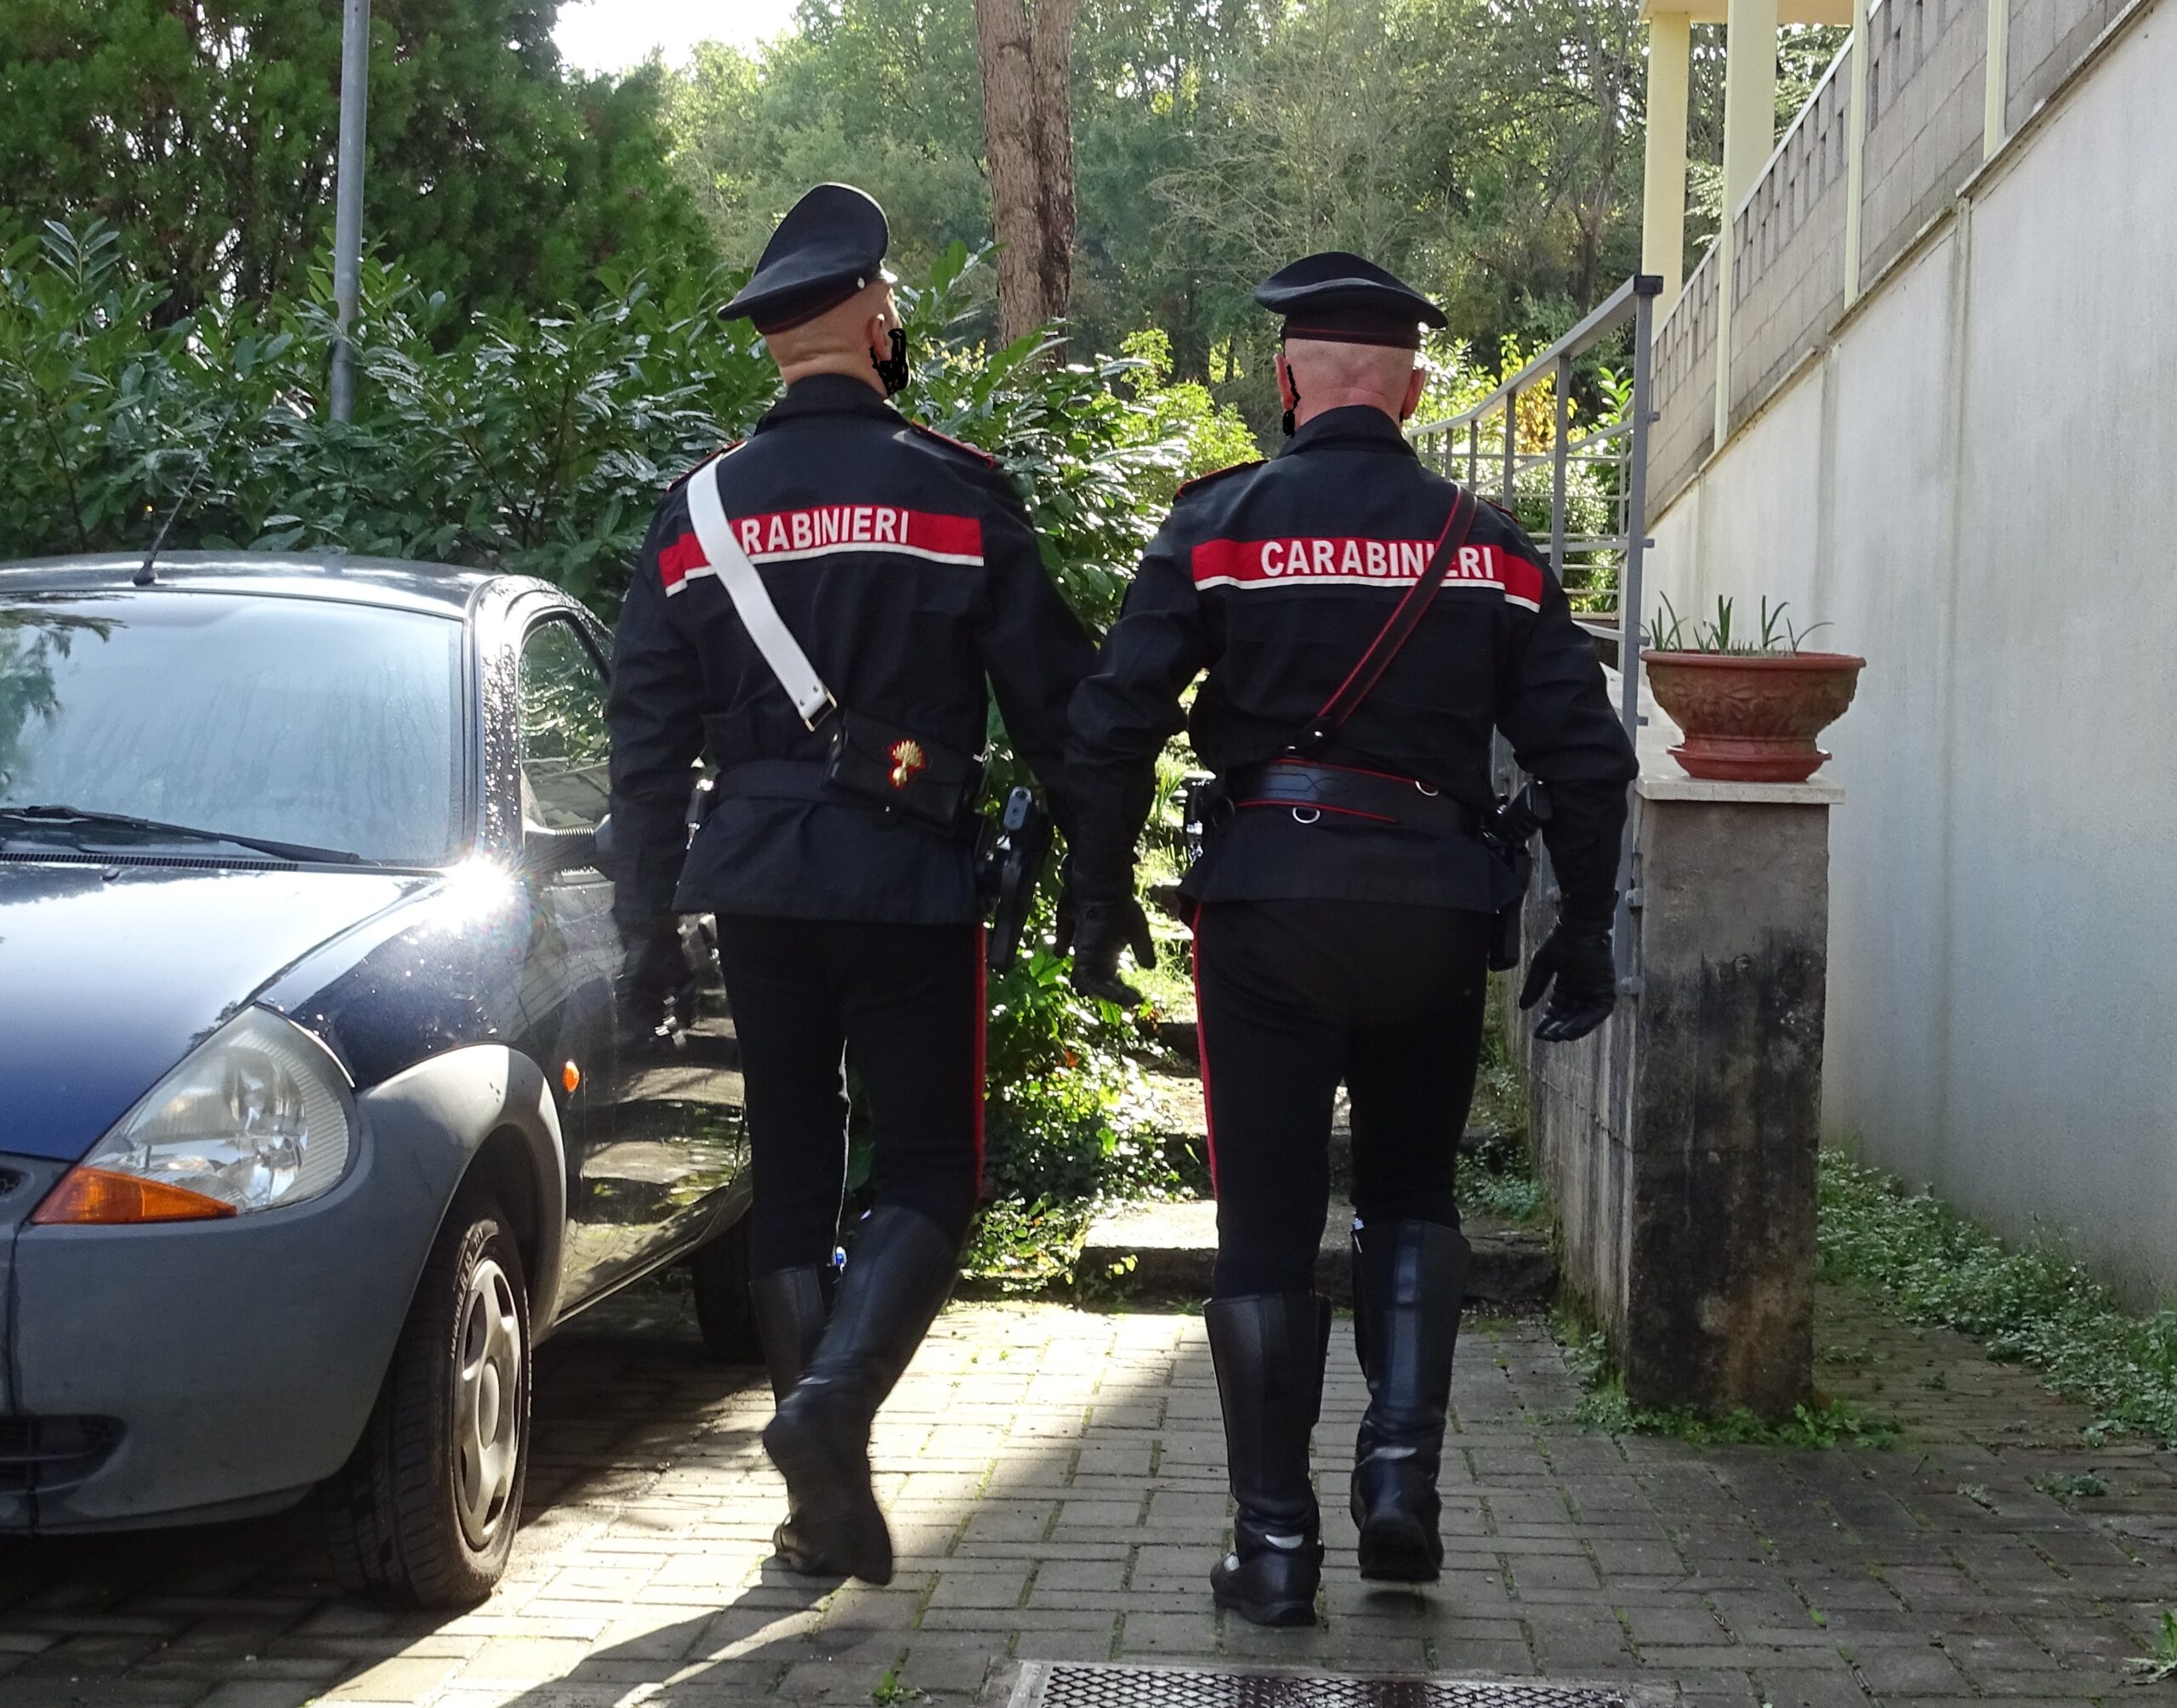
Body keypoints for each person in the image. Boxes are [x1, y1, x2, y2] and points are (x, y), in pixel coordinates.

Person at [1064, 252, 1638, 1626]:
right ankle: (1401, 1480)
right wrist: (1589, 926)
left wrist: (1095, 901)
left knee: (1264, 1232)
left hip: (1267, 912)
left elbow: (1109, 725)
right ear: (1415, 387)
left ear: (1287, 381)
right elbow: (1588, 754)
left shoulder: (1217, 525)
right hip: (1433, 921)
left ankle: (1275, 1550)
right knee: (1412, 1196)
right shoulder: (1489, 547)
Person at [605, 183, 1095, 1587]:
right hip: (909, 881)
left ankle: (822, 1509)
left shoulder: (695, 512)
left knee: (793, 1173)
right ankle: (830, 1413)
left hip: (754, 888)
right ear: (878, 318)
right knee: (933, 1164)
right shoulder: (953, 490)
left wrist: (645, 919)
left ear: (773, 343)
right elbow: (1058, 709)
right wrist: (1096, 864)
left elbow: (646, 743)